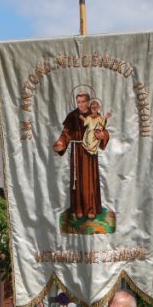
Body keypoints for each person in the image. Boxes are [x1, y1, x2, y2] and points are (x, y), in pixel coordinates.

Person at [54, 90, 109, 221]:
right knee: (77, 180)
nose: (81, 104)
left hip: (90, 152)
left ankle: (91, 209)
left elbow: (104, 130)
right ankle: (78, 209)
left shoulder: (95, 115)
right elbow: (66, 133)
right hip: (77, 151)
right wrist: (61, 142)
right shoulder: (72, 116)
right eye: (78, 102)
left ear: (88, 102)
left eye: (83, 102)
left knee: (90, 180)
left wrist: (103, 136)